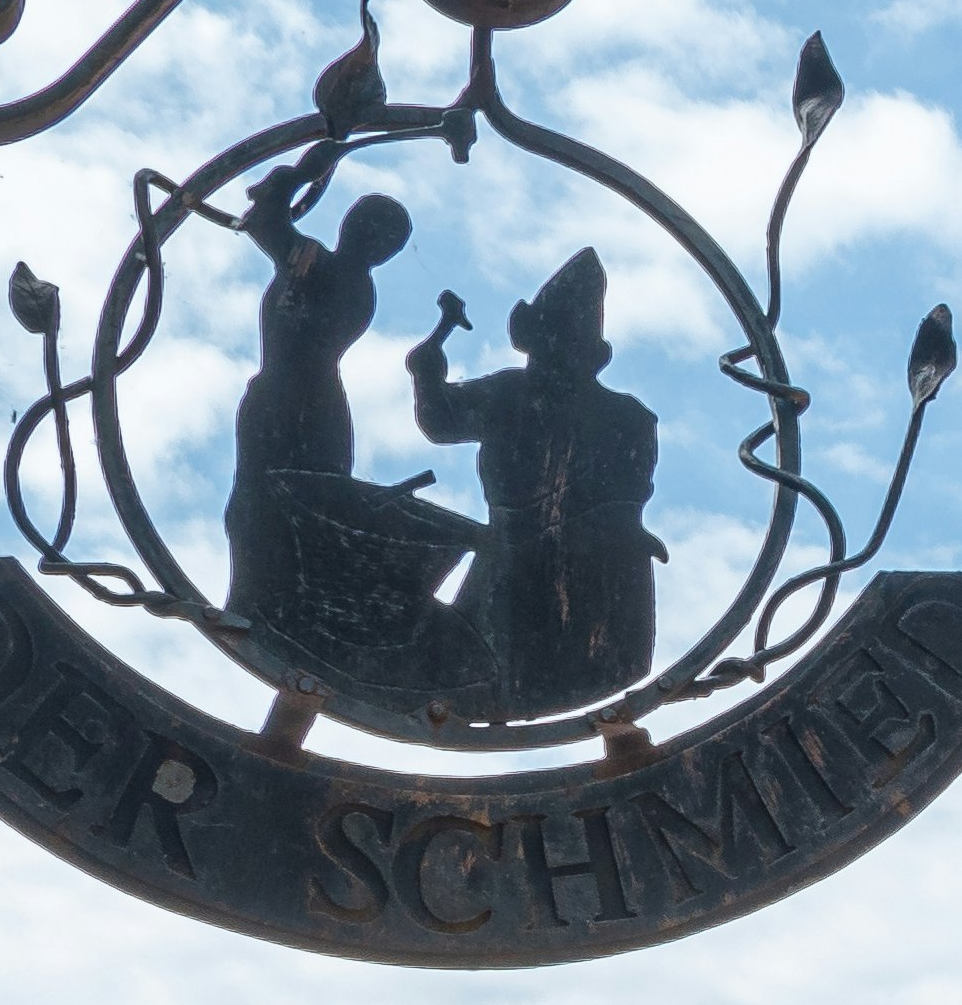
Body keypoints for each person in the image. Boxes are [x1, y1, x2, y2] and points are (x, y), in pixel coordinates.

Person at [405, 245, 664, 714]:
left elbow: (441, 420)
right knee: (486, 676)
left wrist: (426, 373)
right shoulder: (625, 417)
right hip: (543, 565)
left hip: (558, 570)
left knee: (489, 674)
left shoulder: (611, 415)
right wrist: (426, 374)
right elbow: (442, 421)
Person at [223, 173, 411, 631]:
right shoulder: (335, 272)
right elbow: (266, 223)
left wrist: (285, 186)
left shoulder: (325, 268)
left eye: (379, 236)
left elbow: (265, 222)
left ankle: (264, 609)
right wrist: (289, 185)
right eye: (368, 227)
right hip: (304, 404)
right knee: (269, 510)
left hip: (296, 405)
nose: (370, 239)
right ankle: (262, 606)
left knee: (267, 509)